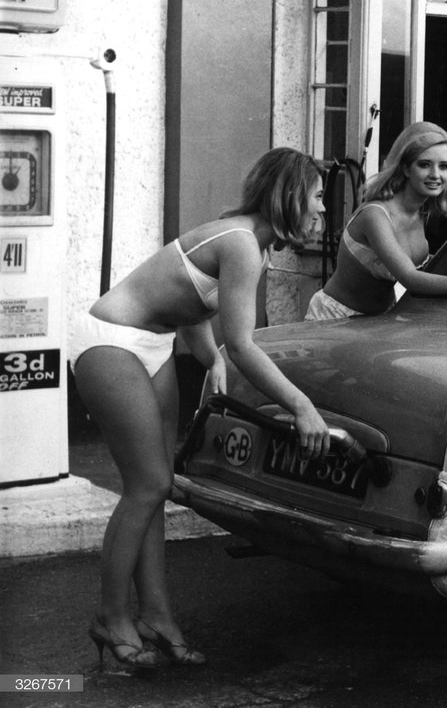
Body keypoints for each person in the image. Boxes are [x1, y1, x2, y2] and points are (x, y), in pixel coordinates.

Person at [70, 147, 330, 670]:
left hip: (153, 343)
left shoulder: (239, 235)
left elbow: (188, 301)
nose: (323, 210)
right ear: (289, 195)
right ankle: (111, 617)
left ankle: (158, 617)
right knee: (147, 487)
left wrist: (208, 359)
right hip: (111, 342)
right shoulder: (241, 245)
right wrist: (302, 406)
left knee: (155, 485)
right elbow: (243, 344)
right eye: (318, 197)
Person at [305, 122, 447, 320]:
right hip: (335, 317)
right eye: (424, 164)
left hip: (380, 319)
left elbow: (427, 269)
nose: (435, 175)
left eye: (444, 166)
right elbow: (410, 278)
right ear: (406, 168)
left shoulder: (420, 213)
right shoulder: (375, 215)